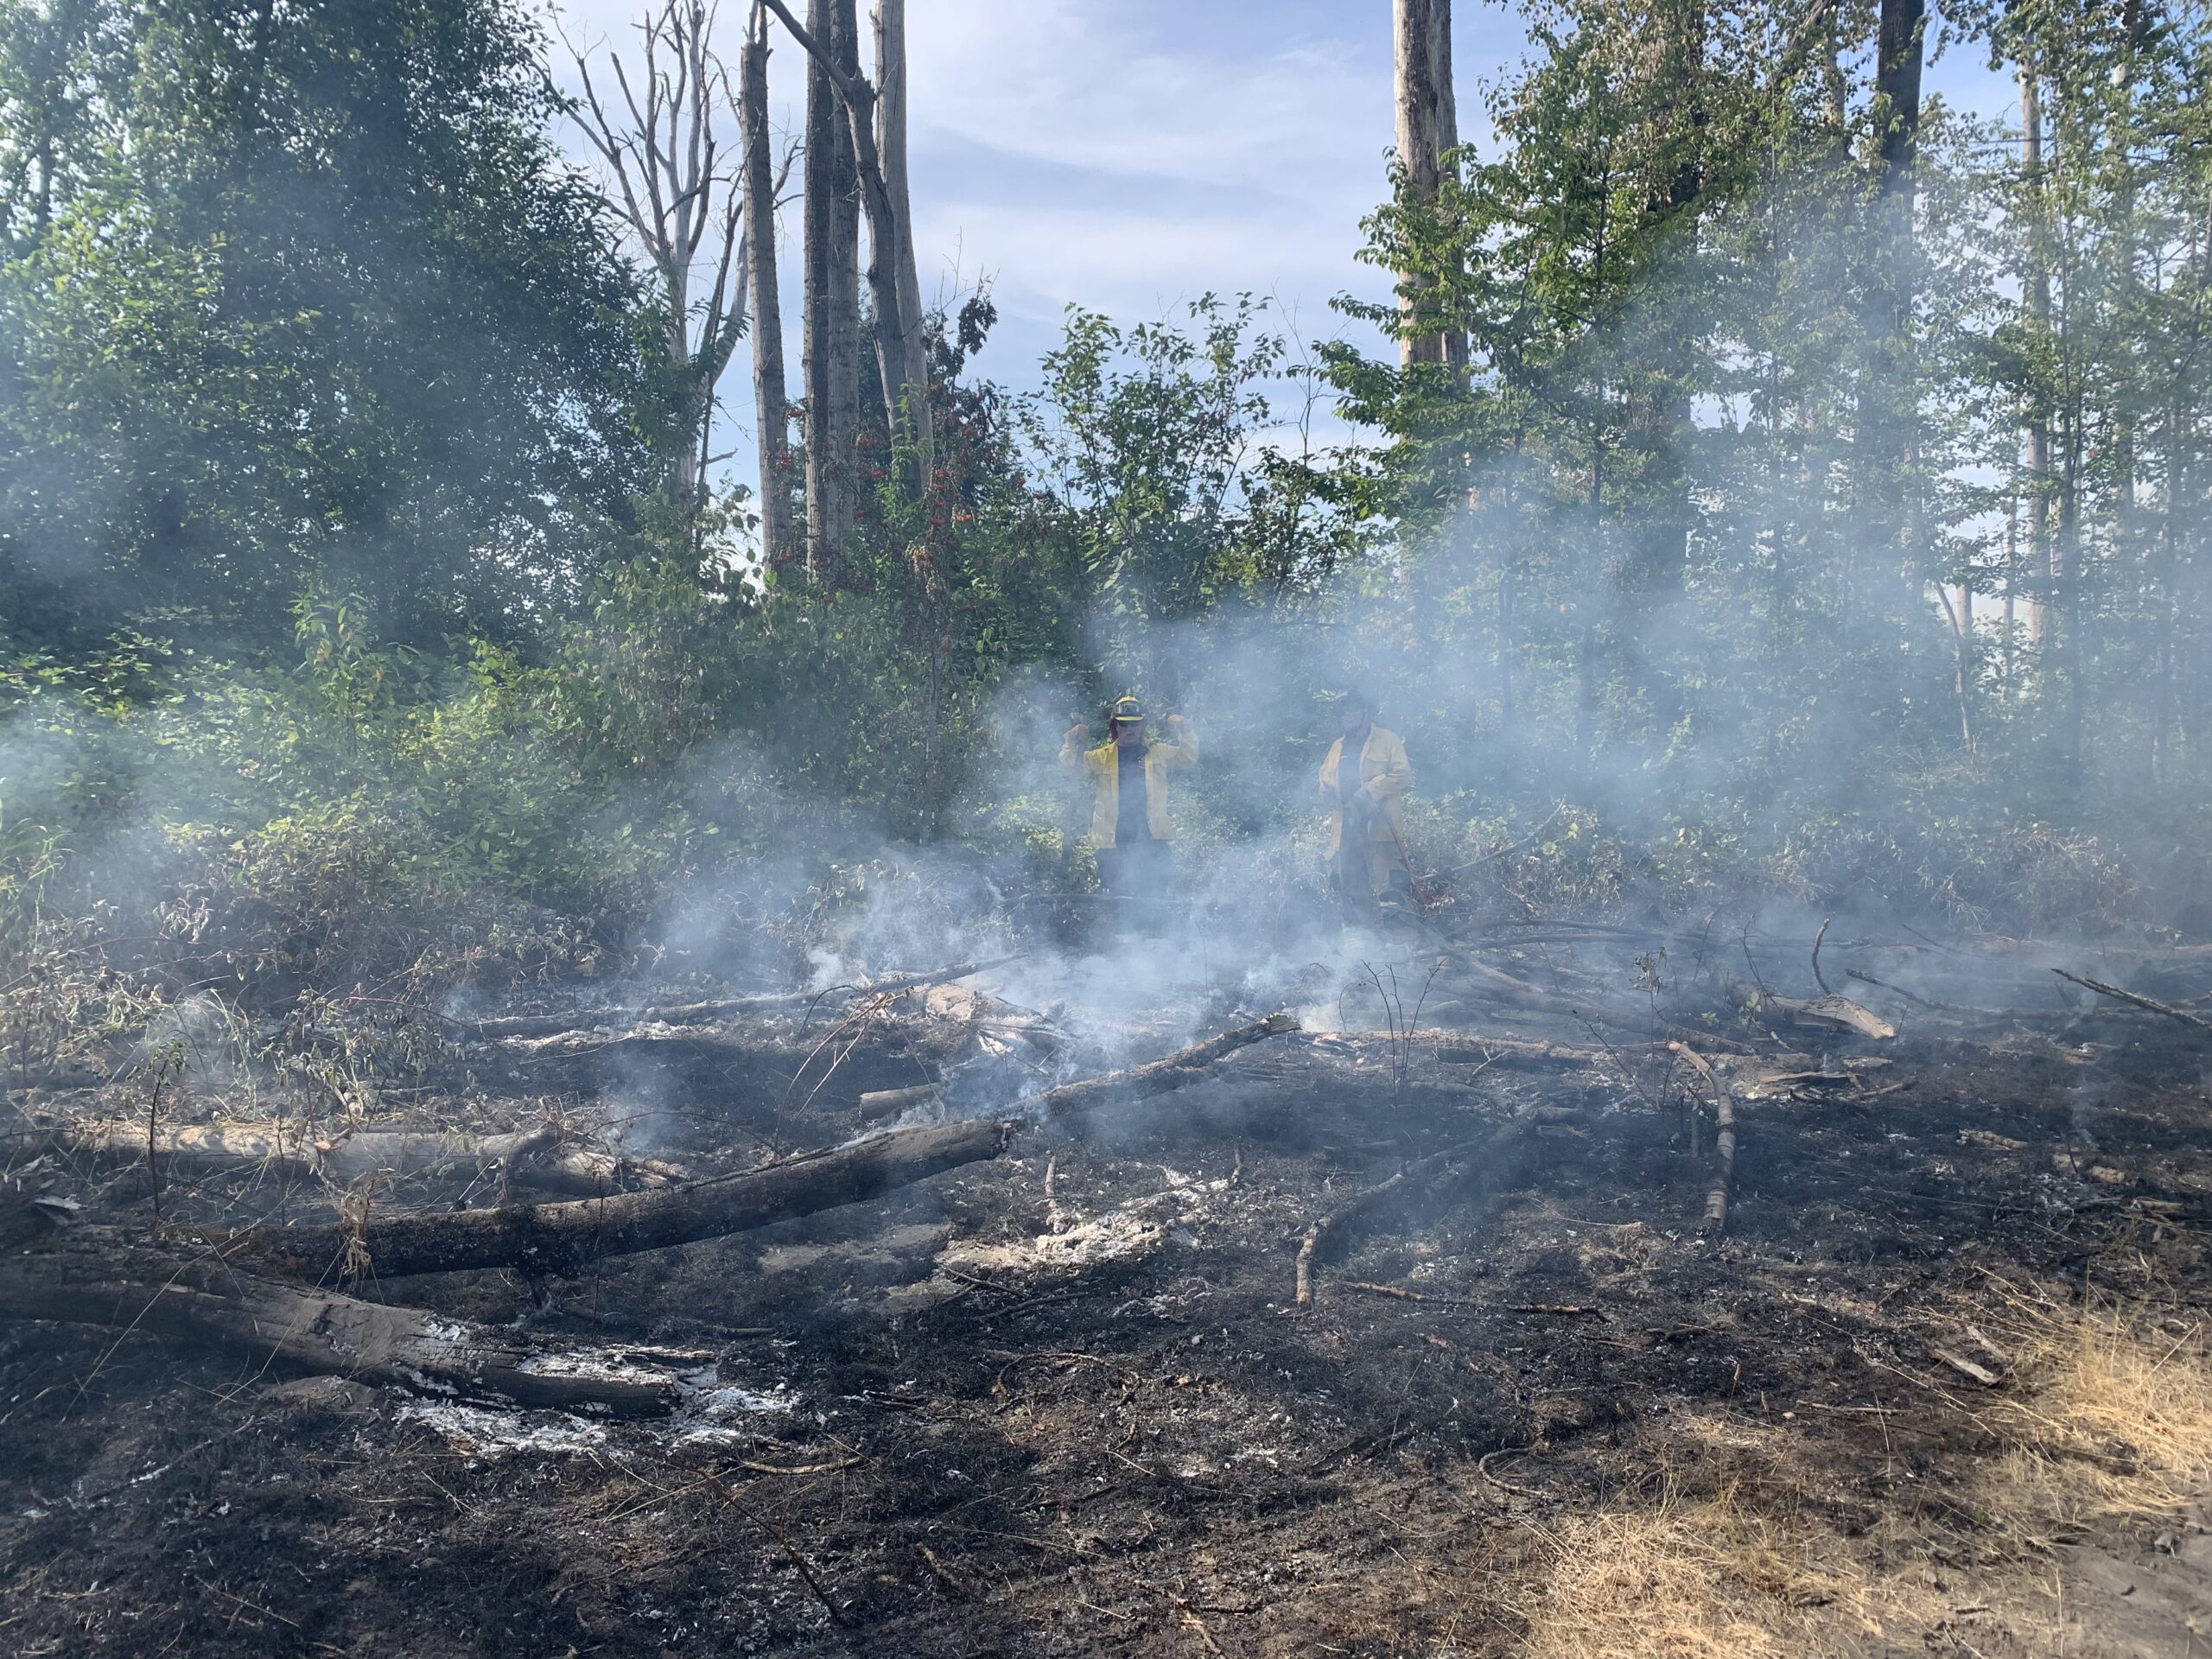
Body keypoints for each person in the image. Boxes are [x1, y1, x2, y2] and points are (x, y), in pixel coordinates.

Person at [1060, 696, 1198, 931]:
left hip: (1152, 840)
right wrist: (1071, 740)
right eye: (1123, 723)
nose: (1129, 729)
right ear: (1115, 725)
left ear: (1143, 725)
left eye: (1134, 723)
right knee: (1117, 899)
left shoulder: (1158, 752)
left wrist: (1186, 730)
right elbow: (1070, 767)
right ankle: (1121, 945)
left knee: (1155, 897)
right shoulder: (1101, 757)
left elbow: (1188, 757)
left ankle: (1155, 943)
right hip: (1112, 843)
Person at [1317, 688, 1414, 914]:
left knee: (1392, 897)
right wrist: (1324, 791)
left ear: (1365, 711)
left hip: (1380, 831)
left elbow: (1403, 774)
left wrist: (1370, 791)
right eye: (1342, 712)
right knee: (1351, 900)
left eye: (1352, 709)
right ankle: (1360, 935)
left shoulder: (1387, 740)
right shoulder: (1336, 747)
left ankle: (1401, 933)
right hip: (1346, 834)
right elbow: (1324, 779)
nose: (1347, 716)